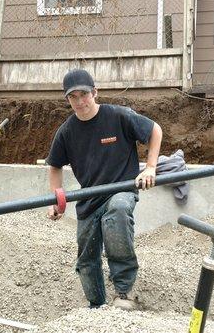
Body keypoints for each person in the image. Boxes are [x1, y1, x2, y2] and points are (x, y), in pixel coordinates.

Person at [45, 69, 163, 310]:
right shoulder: (67, 131)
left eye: (84, 94)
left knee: (118, 211)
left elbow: (154, 130)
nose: (80, 102)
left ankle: (124, 292)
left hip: (121, 190)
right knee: (87, 259)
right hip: (89, 199)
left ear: (95, 92)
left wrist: (150, 167)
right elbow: (54, 165)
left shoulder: (118, 116)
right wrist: (56, 200)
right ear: (67, 99)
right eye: (73, 97)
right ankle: (96, 306)